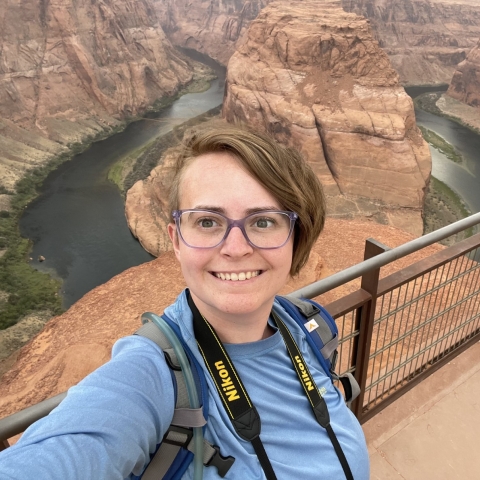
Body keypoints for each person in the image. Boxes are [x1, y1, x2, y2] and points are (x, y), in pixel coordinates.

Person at [0, 124, 370, 479]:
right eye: (208, 222)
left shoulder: (312, 327)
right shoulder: (154, 375)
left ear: (295, 236)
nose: (236, 248)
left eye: (264, 221)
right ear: (176, 240)